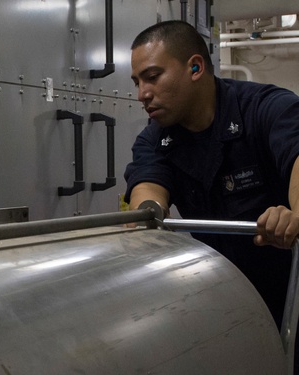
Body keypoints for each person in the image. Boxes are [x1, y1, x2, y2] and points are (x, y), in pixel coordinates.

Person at [124, 20, 299, 335]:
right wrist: (145, 217)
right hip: (225, 298)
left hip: (292, 296)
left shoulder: (268, 108)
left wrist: (295, 215)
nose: (142, 94)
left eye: (152, 77)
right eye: (137, 82)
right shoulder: (155, 140)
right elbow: (148, 187)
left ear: (194, 68)